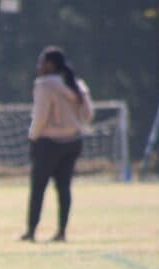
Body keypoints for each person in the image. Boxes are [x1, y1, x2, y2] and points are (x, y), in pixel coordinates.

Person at [21, 46, 93, 243]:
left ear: (51, 65)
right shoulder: (76, 84)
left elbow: (40, 116)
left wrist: (33, 137)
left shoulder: (44, 85)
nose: (39, 66)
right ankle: (62, 232)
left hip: (48, 143)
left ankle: (31, 231)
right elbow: (88, 114)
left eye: (42, 62)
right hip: (73, 142)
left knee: (38, 188)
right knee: (64, 188)